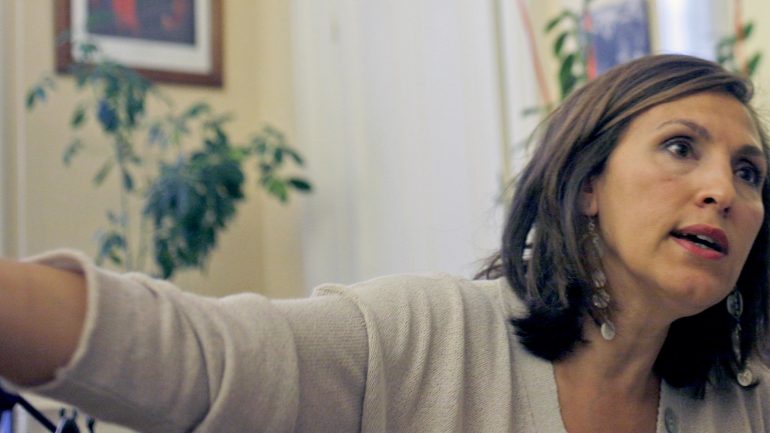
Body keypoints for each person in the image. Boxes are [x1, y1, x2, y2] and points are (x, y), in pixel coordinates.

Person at [1, 53, 769, 432]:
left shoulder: (740, 402)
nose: (724, 190)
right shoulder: (426, 339)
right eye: (680, 147)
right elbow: (197, 356)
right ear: (588, 182)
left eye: (749, 172)